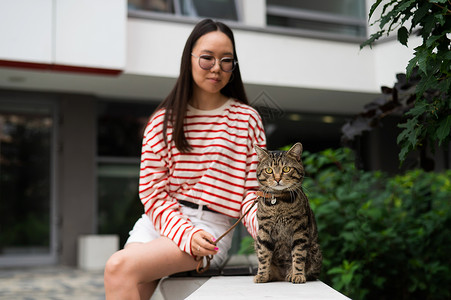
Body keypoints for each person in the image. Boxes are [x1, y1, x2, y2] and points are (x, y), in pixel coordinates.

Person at [104, 18, 266, 300]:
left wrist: (268, 231)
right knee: (127, 281)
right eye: (207, 58)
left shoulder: (246, 120)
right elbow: (153, 193)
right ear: (189, 59)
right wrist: (183, 233)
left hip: (209, 230)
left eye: (226, 60)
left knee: (118, 266)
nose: (217, 67)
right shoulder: (163, 121)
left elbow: (251, 192)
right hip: (159, 222)